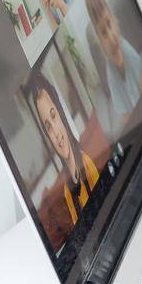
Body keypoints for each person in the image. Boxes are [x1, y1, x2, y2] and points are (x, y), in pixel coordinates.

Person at [25, 72, 100, 228]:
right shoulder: (67, 190)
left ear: (62, 115)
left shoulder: (87, 164)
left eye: (54, 116)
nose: (56, 133)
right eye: (48, 127)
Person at [83, 0, 142, 129]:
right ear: (99, 40)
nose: (111, 37)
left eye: (109, 24)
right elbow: (126, 118)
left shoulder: (127, 51)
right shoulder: (111, 74)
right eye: (104, 32)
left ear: (114, 21)